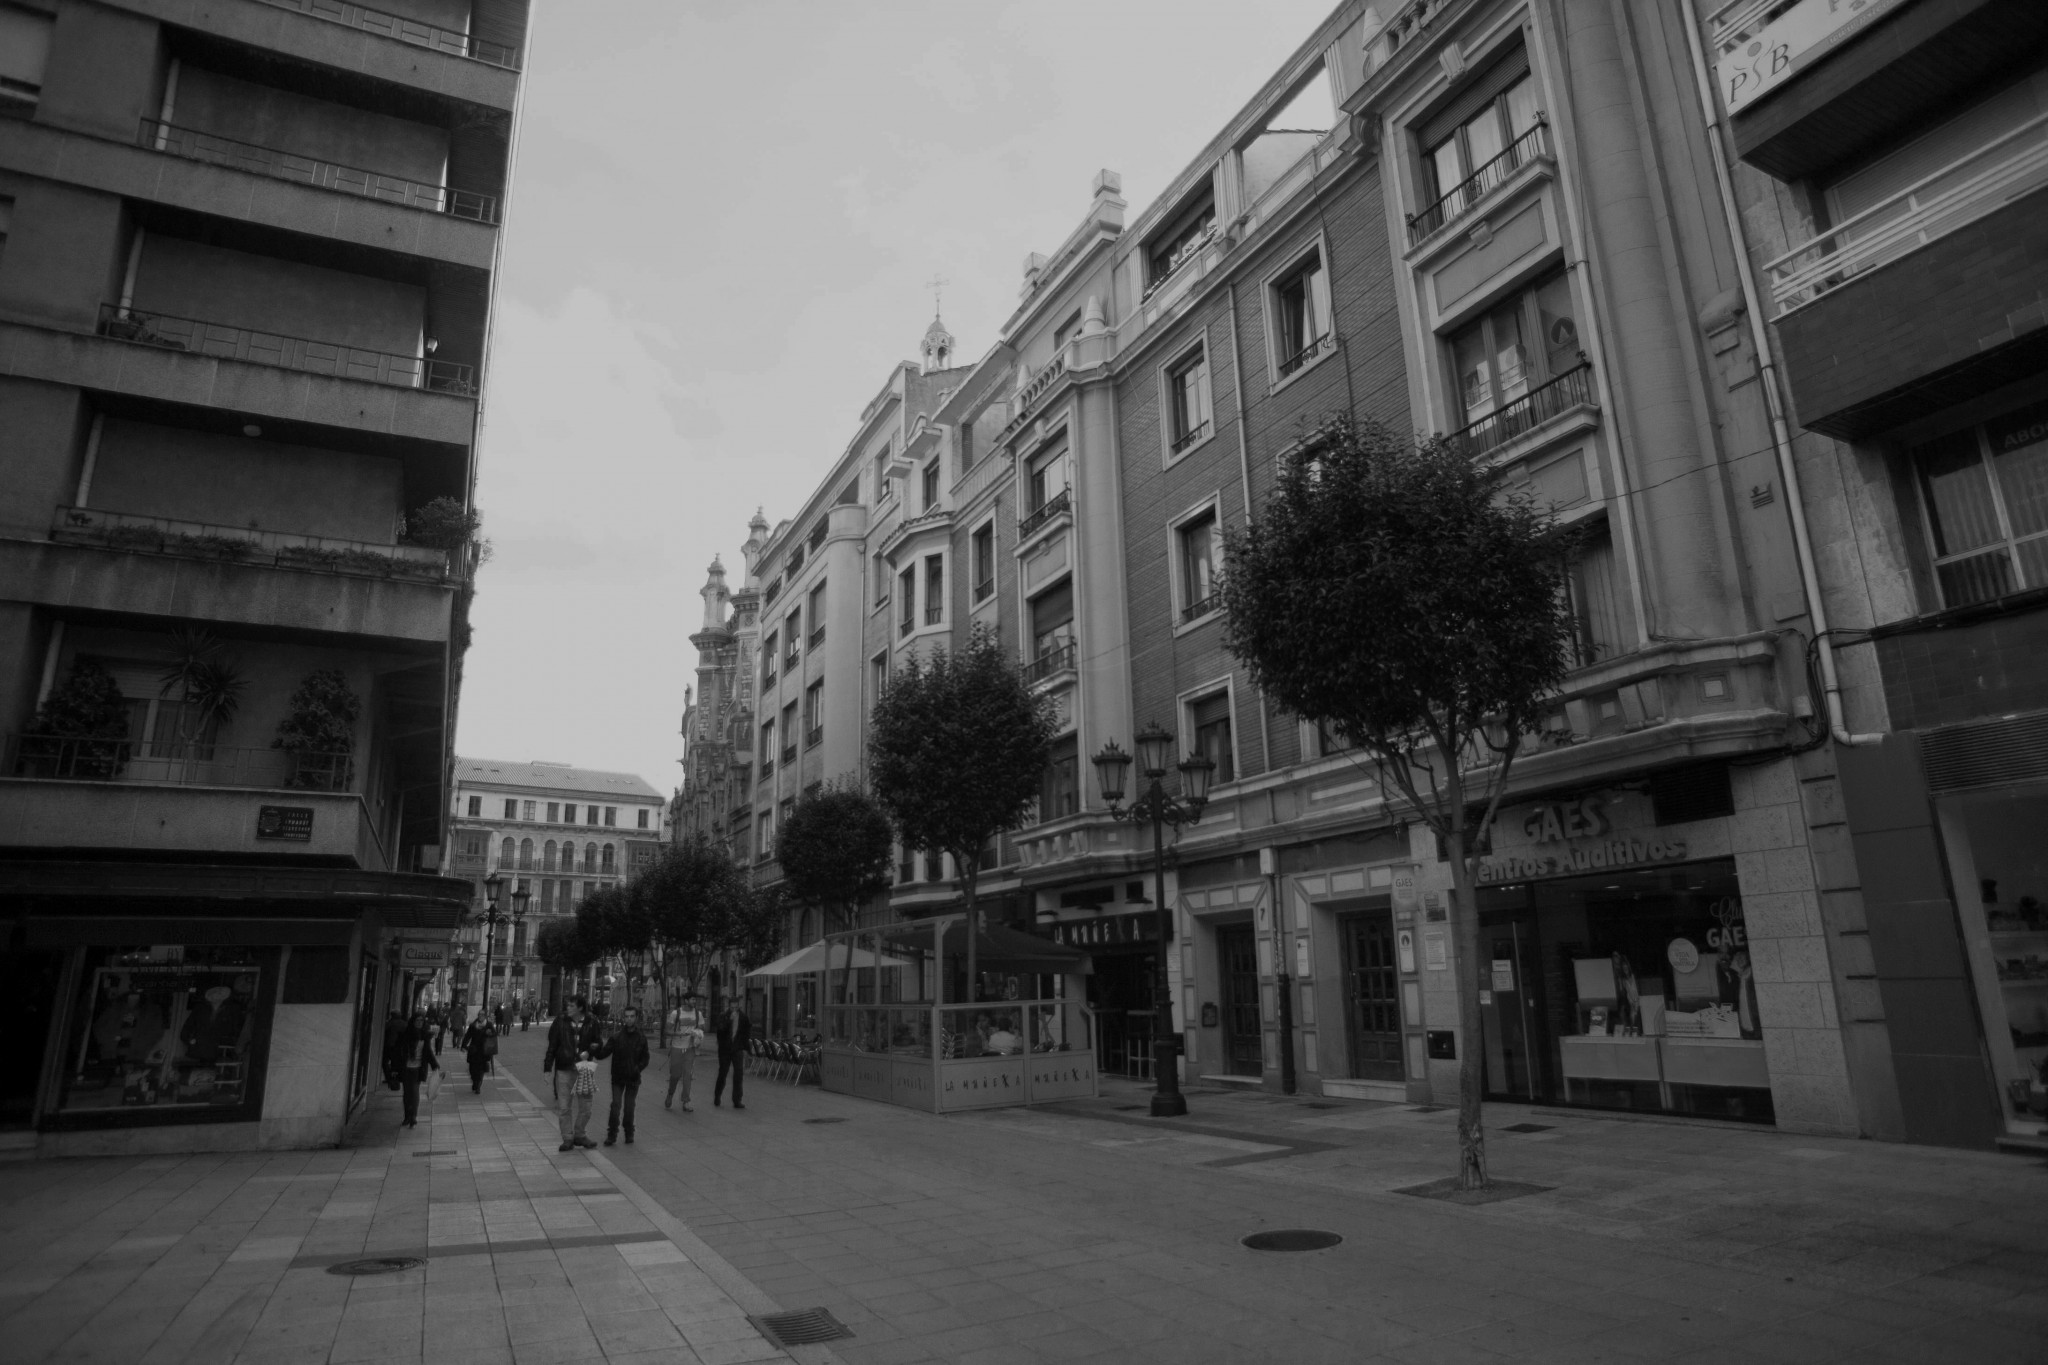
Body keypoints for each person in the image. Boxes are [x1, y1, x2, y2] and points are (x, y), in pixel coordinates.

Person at [547, 995, 602, 1150]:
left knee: (586, 1107)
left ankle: (580, 1134)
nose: (568, 1008)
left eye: (572, 1006)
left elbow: (598, 1042)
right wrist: (547, 1067)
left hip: (584, 1067)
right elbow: (552, 1044)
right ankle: (567, 1138)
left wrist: (590, 1050)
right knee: (564, 1107)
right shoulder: (560, 1021)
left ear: (580, 1008)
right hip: (564, 1068)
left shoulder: (592, 1021)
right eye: (568, 1005)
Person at [596, 1007, 651, 1145]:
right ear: (623, 1018)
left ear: (636, 1018)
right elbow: (603, 1054)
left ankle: (629, 1132)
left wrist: (637, 1069)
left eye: (632, 1016)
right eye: (627, 1016)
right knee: (615, 1105)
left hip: (633, 1078)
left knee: (629, 1107)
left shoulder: (641, 1038)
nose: (629, 1019)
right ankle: (612, 1133)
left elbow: (645, 1058)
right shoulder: (616, 1037)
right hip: (618, 1077)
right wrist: (595, 1047)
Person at [395, 1009, 439, 1128]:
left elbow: (428, 1052)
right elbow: (398, 1051)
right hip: (406, 1067)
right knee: (407, 1093)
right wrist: (395, 1067)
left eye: (421, 1021)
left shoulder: (425, 1035)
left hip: (418, 1068)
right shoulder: (405, 1034)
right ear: (413, 1021)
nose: (419, 1022)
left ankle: (413, 1116)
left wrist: (434, 1065)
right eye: (417, 1020)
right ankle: (407, 1116)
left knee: (414, 1091)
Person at [665, 992, 707, 1111]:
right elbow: (666, 1030)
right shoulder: (676, 1013)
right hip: (677, 1048)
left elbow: (703, 1028)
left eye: (695, 1000)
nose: (694, 1002)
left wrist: (698, 1033)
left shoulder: (698, 1014)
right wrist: (677, 1034)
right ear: (686, 1000)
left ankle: (686, 1101)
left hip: (690, 1048)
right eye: (692, 999)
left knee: (688, 1075)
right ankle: (670, 1094)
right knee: (675, 1075)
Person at [713, 995, 750, 1110]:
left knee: (738, 1074)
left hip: (737, 1049)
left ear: (739, 1006)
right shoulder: (723, 1016)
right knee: (723, 1073)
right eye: (732, 1007)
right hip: (725, 1049)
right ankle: (717, 1095)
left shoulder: (743, 1017)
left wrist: (746, 1050)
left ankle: (737, 1100)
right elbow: (720, 1031)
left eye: (736, 1007)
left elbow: (746, 1034)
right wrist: (729, 1020)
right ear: (729, 1006)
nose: (734, 1009)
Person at [460, 1011, 497, 1094]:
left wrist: (490, 1033)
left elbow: (494, 1034)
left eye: (482, 1015)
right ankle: (474, 1081)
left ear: (485, 1016)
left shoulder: (488, 1025)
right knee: (472, 1070)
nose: (481, 1016)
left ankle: (478, 1086)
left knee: (481, 1070)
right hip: (474, 1050)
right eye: (479, 1014)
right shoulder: (473, 1025)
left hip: (484, 1051)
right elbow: (467, 1036)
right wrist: (463, 1046)